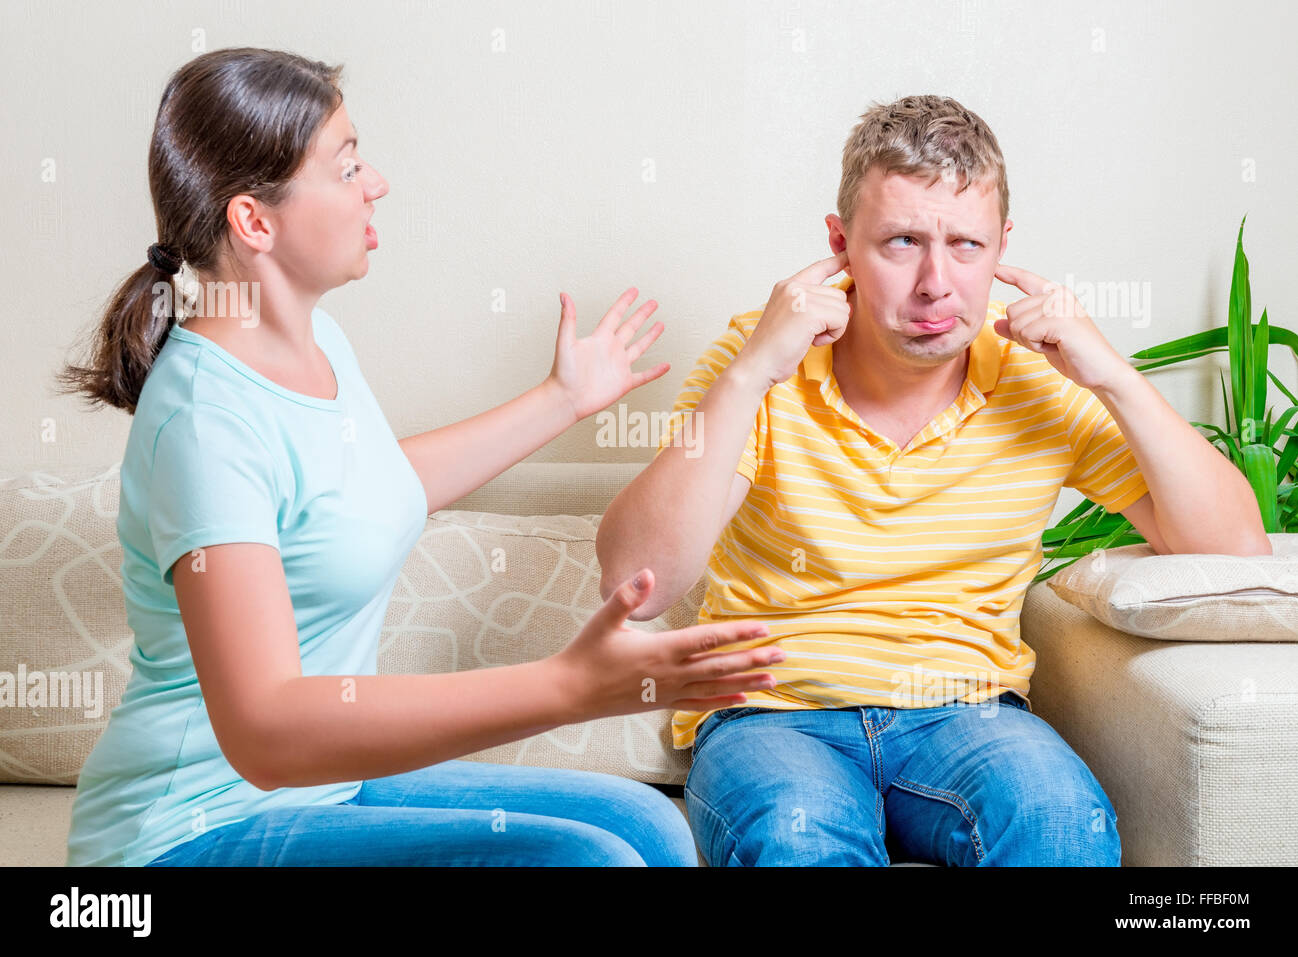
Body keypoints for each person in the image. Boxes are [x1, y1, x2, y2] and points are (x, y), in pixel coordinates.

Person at [53, 46, 785, 867]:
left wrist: (561, 400)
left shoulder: (315, 341)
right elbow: (264, 730)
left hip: (319, 790)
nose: (377, 183)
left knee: (644, 824)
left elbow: (366, 492)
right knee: (587, 861)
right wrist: (567, 687)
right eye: (347, 165)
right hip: (190, 831)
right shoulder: (202, 419)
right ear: (255, 221)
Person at [596, 94, 1271, 866]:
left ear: (1003, 246)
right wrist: (751, 373)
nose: (935, 283)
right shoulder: (757, 360)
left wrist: (1113, 375)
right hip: (773, 717)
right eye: (902, 241)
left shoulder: (1038, 376)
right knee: (794, 835)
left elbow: (1236, 545)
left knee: (1060, 823)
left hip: (971, 715)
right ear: (840, 243)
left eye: (966, 245)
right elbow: (635, 581)